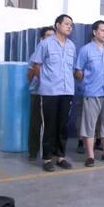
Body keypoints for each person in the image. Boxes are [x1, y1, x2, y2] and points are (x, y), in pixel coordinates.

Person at [31, 14, 76, 172]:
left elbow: (70, 68)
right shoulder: (46, 44)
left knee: (63, 125)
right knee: (49, 126)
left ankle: (60, 157)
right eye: (66, 24)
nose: (69, 27)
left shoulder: (71, 46)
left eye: (71, 25)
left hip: (67, 90)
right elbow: (36, 65)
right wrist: (45, 81)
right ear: (57, 25)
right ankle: (47, 158)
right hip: (50, 91)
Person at [74, 20, 104, 167]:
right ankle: (90, 156)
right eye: (102, 30)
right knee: (89, 126)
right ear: (94, 32)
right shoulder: (85, 50)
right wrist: (84, 84)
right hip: (92, 93)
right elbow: (78, 71)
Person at [27, 26, 55, 161]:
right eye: (48, 36)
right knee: (36, 123)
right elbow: (29, 74)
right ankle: (33, 151)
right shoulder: (37, 54)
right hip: (38, 93)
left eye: (53, 36)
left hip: (53, 93)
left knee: (51, 124)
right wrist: (40, 81)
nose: (51, 39)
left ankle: (51, 151)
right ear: (41, 39)